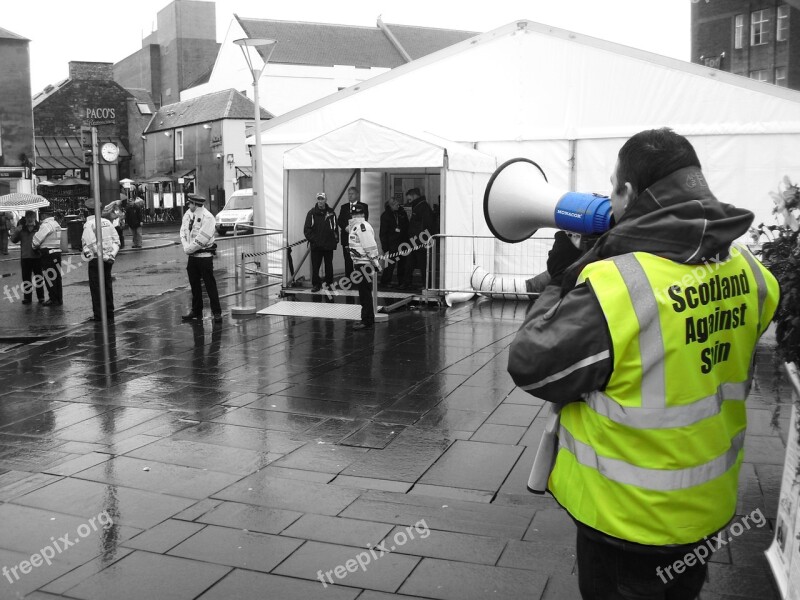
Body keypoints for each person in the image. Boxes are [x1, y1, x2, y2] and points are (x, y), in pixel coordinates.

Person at [507, 128, 780, 600]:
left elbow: (532, 362)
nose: (610, 203)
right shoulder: (754, 273)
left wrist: (563, 278)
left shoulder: (620, 286)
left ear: (630, 193)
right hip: (705, 506)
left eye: (613, 189)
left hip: (626, 517)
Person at [180, 194, 222, 323]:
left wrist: (188, 249)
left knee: (210, 285)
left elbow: (202, 239)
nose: (188, 205)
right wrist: (186, 246)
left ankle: (216, 312)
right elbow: (183, 232)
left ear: (194, 203)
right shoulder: (188, 214)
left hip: (204, 257)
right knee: (194, 285)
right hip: (192, 257)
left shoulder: (208, 217)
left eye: (189, 203)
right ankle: (196, 310)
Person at [82, 200, 120, 322]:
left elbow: (92, 244)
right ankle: (109, 311)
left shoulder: (89, 224)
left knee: (96, 287)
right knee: (107, 285)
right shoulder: (107, 222)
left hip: (96, 259)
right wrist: (112, 255)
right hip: (109, 259)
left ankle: (99, 315)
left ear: (88, 211)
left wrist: (103, 257)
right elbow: (116, 241)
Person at [348, 204, 381, 330]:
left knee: (365, 293)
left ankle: (367, 320)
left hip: (364, 264)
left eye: (357, 214)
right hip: (360, 263)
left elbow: (370, 247)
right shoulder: (357, 226)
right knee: (364, 293)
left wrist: (375, 263)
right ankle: (366, 319)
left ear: (362, 215)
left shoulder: (362, 227)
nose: (355, 216)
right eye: (354, 215)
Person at [303, 192, 338, 292]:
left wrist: (335, 241)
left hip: (328, 245)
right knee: (315, 267)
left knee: (329, 266)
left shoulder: (331, 213)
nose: (320, 201)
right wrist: (315, 241)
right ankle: (316, 285)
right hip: (316, 246)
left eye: (322, 199)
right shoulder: (312, 213)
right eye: (318, 199)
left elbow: (335, 228)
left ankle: (329, 283)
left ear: (326, 200)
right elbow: (307, 230)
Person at [401, 188, 433, 290]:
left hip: (419, 241)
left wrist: (422, 240)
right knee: (410, 263)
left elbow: (426, 225)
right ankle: (407, 282)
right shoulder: (419, 206)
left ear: (414, 195)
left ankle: (426, 284)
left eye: (409, 199)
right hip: (415, 240)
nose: (408, 201)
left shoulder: (422, 207)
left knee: (422, 264)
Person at [10, 210, 44, 305]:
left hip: (37, 256)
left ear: (34, 217)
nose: (29, 219)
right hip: (25, 257)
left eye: (31, 217)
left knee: (39, 278)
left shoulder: (39, 228)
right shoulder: (21, 228)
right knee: (26, 279)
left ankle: (41, 297)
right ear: (26, 218)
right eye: (28, 217)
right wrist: (16, 232)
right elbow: (13, 240)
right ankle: (27, 298)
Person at [32, 205, 63, 306]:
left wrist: (34, 246)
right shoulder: (56, 224)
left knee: (50, 277)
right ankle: (59, 299)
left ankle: (53, 299)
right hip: (57, 254)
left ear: (44, 214)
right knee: (57, 277)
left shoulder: (46, 225)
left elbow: (36, 240)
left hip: (48, 255)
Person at [337, 186, 369, 277]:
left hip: (358, 237)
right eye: (349, 194)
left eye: (352, 194)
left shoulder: (363, 206)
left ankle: (359, 277)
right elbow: (340, 220)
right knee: (347, 259)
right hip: (346, 237)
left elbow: (365, 219)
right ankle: (349, 279)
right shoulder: (344, 207)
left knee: (359, 259)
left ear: (357, 195)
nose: (350, 196)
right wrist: (345, 227)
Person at [379, 197, 409, 287]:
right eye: (395, 204)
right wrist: (385, 248)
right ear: (391, 205)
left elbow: (406, 225)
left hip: (402, 242)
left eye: (398, 204)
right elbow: (383, 233)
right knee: (390, 264)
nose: (398, 205)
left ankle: (402, 282)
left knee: (402, 263)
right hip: (391, 243)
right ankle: (385, 281)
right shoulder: (385, 215)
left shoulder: (402, 213)